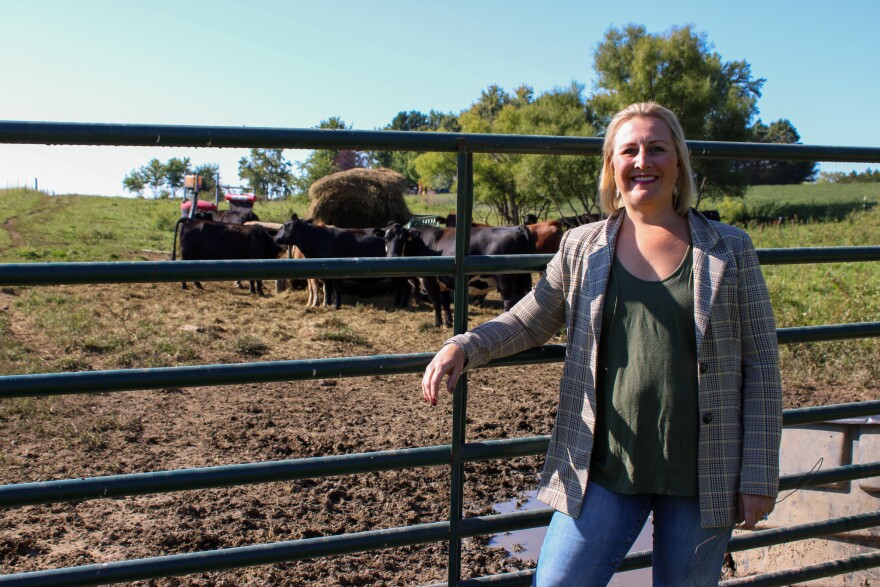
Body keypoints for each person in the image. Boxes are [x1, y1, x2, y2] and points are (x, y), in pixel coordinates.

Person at [421, 102, 782, 586]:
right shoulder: (581, 246)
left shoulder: (729, 249)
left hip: (704, 474)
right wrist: (463, 344)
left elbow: (761, 365)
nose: (642, 161)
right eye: (628, 150)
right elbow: (529, 321)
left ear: (678, 161)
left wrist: (758, 478)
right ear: (612, 166)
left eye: (657, 148)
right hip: (604, 468)